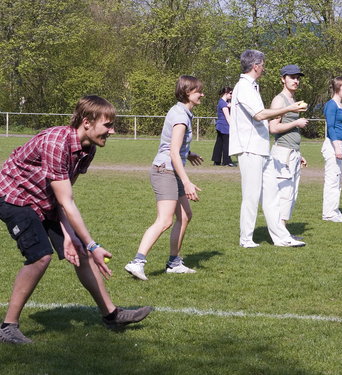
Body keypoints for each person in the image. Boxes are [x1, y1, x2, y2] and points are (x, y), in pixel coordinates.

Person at [0, 96, 153, 344]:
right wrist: (93, 244)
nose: (112, 131)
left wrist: (75, 239)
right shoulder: (56, 142)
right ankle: (8, 327)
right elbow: (66, 201)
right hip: (15, 197)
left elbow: (64, 197)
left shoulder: (87, 149)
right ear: (86, 122)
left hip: (46, 200)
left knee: (79, 250)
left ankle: (111, 315)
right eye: (108, 125)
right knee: (41, 256)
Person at [125, 76, 204, 280]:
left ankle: (174, 263)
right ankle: (137, 262)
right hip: (166, 171)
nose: (202, 95)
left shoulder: (182, 111)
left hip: (171, 170)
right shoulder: (180, 116)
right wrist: (187, 182)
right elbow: (173, 153)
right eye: (198, 91)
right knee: (164, 220)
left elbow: (174, 146)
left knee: (185, 216)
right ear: (187, 92)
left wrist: (190, 153)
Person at [229, 49, 306, 248]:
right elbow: (260, 115)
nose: (264, 68)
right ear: (255, 66)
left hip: (262, 149)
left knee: (272, 195)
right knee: (251, 196)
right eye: (262, 65)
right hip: (249, 149)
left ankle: (281, 237)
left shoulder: (252, 86)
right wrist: (290, 108)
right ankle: (246, 239)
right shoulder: (243, 86)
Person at [269, 65, 308, 235]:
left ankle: (282, 230)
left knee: (291, 194)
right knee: (284, 193)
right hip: (282, 153)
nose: (296, 80)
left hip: (292, 153)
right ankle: (280, 233)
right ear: (283, 79)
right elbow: (273, 128)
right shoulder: (280, 100)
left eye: (298, 77)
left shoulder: (293, 101)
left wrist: (299, 154)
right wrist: (296, 123)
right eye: (292, 77)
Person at [322, 77, 342, 222]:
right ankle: (328, 213)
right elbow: (331, 127)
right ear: (338, 88)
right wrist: (336, 148)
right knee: (332, 180)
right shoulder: (331, 105)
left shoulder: (340, 105)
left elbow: (341, 127)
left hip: (340, 143)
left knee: (338, 180)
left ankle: (334, 209)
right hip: (332, 145)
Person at [211, 87, 235, 167]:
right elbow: (227, 117)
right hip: (224, 126)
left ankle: (216, 161)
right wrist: (232, 127)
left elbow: (230, 105)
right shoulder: (223, 103)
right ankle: (227, 161)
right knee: (226, 144)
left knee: (219, 143)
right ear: (226, 93)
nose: (232, 95)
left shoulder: (223, 102)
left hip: (220, 126)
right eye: (230, 93)